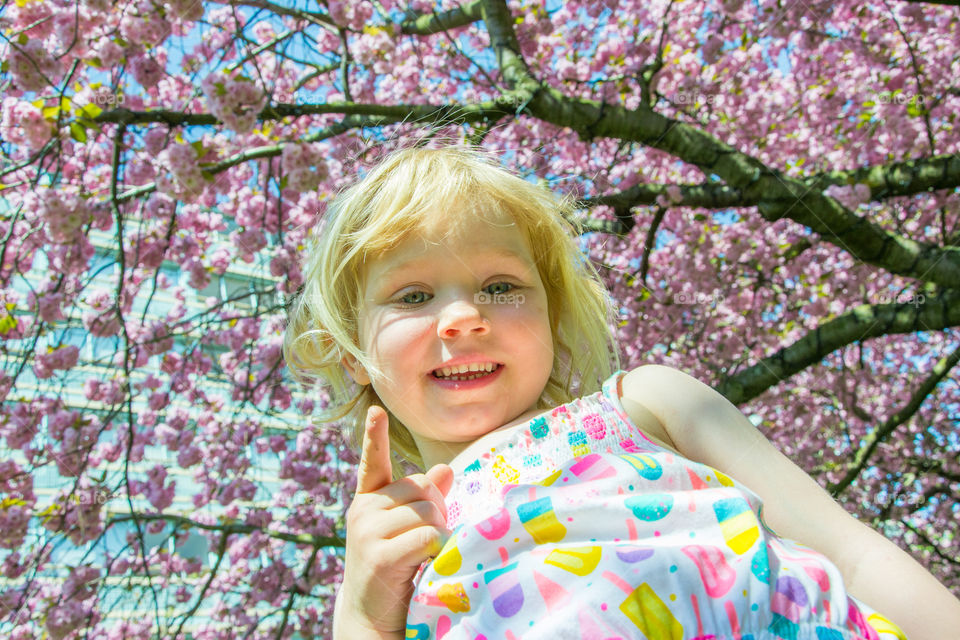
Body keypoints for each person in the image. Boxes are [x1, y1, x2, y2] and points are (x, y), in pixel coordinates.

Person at [283, 146, 960, 640]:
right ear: (353, 354)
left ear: (550, 313)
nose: (465, 316)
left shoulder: (644, 406)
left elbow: (850, 552)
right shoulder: (399, 540)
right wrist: (363, 613)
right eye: (413, 295)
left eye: (501, 286)